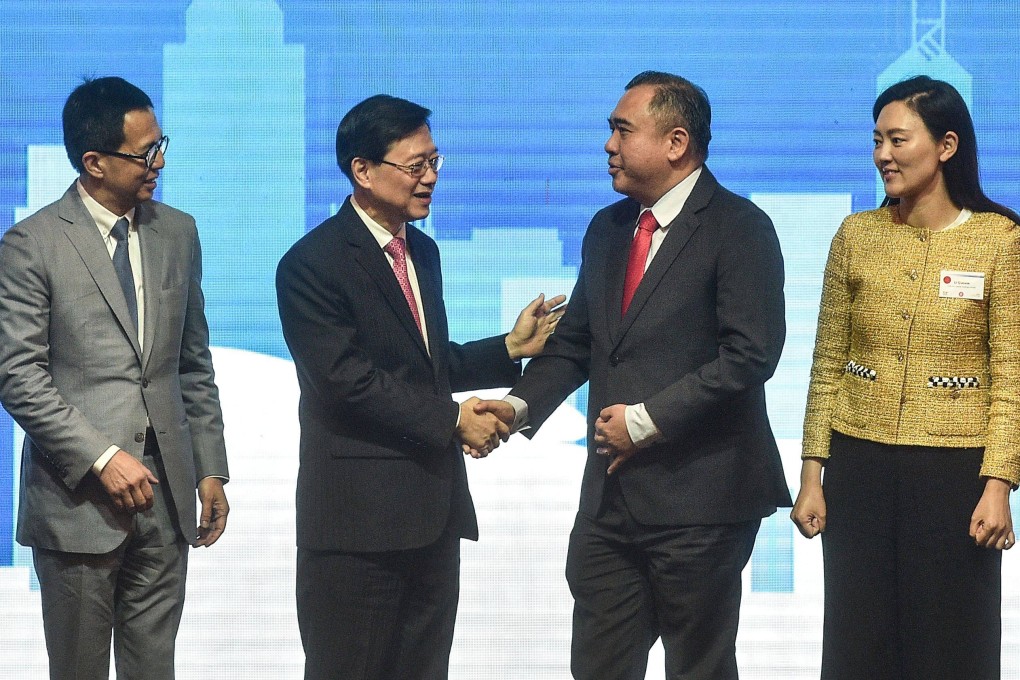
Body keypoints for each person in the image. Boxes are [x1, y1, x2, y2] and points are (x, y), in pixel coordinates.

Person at [474, 71, 790, 680]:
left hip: (703, 502)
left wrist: (645, 423)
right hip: (609, 508)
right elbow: (576, 346)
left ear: (676, 142)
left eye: (622, 130)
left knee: (698, 669)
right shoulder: (609, 228)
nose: (608, 145)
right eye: (609, 131)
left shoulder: (740, 227)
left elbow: (750, 357)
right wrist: (515, 409)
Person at [275, 93, 564, 680]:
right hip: (356, 528)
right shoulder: (312, 264)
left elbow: (421, 367)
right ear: (362, 170)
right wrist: (454, 420)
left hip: (432, 514)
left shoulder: (422, 252)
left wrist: (508, 349)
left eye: (435, 161)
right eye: (415, 166)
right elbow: (345, 382)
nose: (430, 177)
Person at [791, 75, 1020, 679]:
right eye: (876, 141)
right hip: (858, 466)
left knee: (952, 644)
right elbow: (826, 363)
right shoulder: (856, 237)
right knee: (857, 642)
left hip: (953, 473)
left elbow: (1011, 373)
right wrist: (813, 472)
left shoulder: (1000, 240)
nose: (882, 155)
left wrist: (999, 482)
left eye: (897, 139)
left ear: (946, 146)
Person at [0, 76, 229, 679]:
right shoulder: (32, 244)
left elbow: (192, 364)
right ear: (94, 162)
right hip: (79, 501)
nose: (158, 162)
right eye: (144, 152)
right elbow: (18, 375)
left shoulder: (177, 232)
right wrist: (102, 456)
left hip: (169, 493)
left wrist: (209, 467)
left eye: (161, 145)